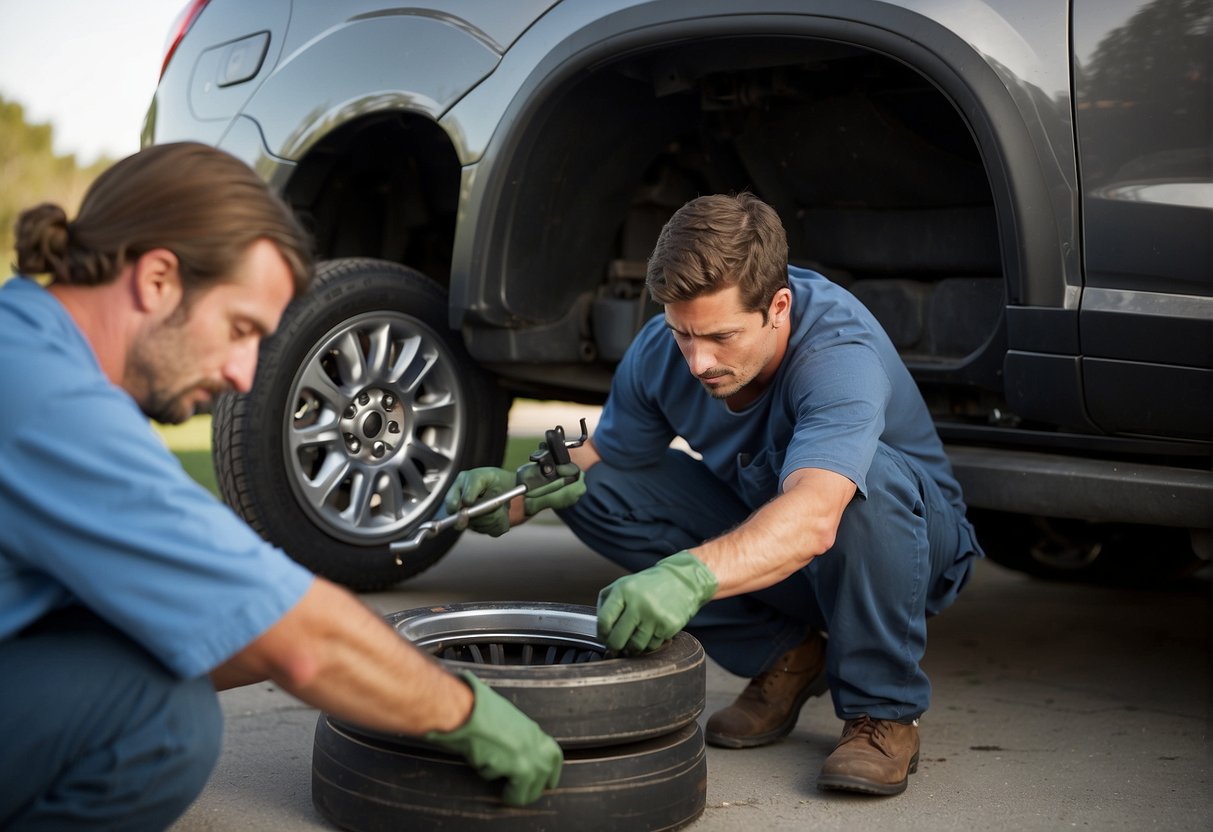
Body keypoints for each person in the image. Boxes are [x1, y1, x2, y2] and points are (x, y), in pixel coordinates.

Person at [0, 142, 561, 830]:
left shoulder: (26, 346)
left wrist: (342, 648)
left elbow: (218, 613)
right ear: (157, 279)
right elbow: (298, 642)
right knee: (164, 723)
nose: (243, 374)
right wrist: (462, 712)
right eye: (240, 330)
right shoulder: (47, 402)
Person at [445, 192, 982, 797]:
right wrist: (514, 495)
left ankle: (883, 712)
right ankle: (784, 657)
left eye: (721, 336)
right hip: (792, 559)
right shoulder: (665, 349)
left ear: (777, 307)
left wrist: (686, 576)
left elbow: (814, 514)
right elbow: (607, 452)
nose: (699, 362)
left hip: (905, 555)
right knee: (584, 487)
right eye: (683, 334)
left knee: (860, 481)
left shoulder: (838, 355)